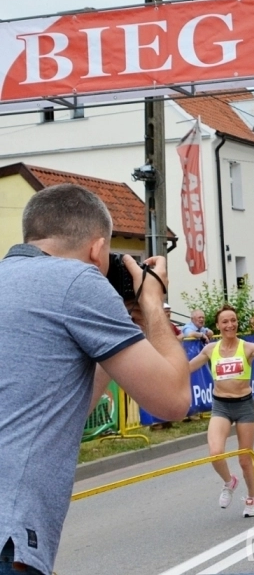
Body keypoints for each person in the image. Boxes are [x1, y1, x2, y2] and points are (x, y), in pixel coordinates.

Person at [0, 184, 191, 575]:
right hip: (10, 536)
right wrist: (153, 303)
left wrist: (114, 335)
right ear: (97, 248)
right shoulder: (76, 281)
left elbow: (58, 409)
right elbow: (172, 400)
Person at [186, 304, 254, 519]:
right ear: (218, 326)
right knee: (215, 452)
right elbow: (186, 368)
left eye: (233, 320)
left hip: (243, 406)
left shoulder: (248, 348)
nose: (230, 325)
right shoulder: (210, 350)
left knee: (244, 459)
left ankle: (252, 497)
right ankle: (229, 481)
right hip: (220, 405)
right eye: (225, 321)